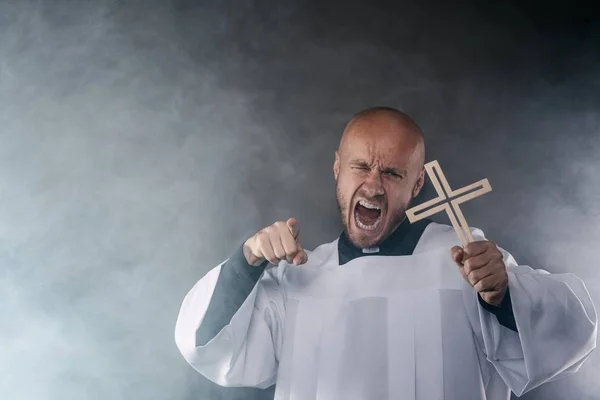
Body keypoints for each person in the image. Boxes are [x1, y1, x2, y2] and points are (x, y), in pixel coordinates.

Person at [174, 107, 598, 400]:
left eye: (393, 172)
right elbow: (208, 346)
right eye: (361, 166)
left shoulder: (464, 260)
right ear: (338, 169)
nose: (374, 186)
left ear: (417, 186)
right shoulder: (297, 279)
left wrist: (505, 297)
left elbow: (571, 332)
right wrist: (246, 264)